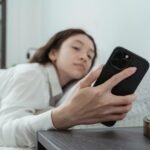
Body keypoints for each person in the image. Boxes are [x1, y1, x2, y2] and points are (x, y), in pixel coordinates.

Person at [0, 28, 137, 148]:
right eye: (76, 48)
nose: (84, 57)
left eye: (90, 56)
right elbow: (4, 132)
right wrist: (64, 116)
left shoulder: (62, 90)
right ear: (53, 53)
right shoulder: (33, 74)